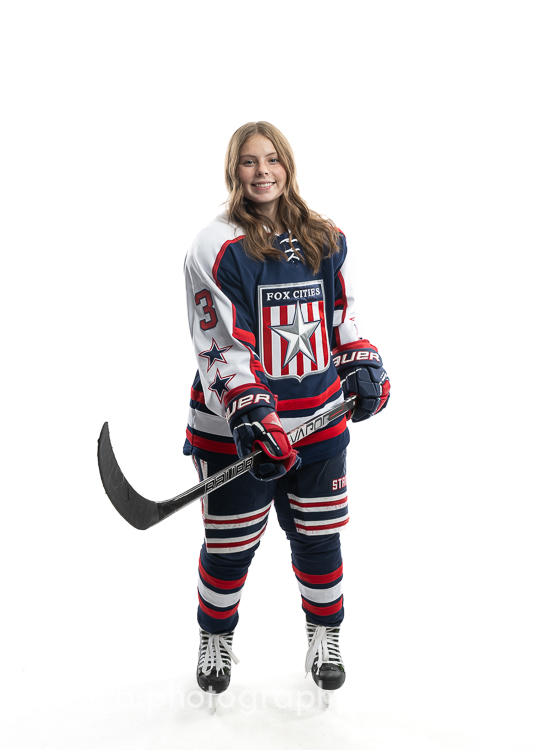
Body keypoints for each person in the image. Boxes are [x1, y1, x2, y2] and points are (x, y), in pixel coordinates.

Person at [183, 121, 390, 696]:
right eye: (249, 161)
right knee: (229, 549)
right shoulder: (214, 245)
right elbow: (220, 343)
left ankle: (325, 636)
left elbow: (341, 315)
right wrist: (251, 415)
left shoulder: (326, 235)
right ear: (234, 170)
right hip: (237, 432)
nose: (263, 171)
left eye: (272, 159)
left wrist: (362, 362)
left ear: (288, 164)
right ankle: (214, 637)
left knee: (320, 540)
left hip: (318, 425)